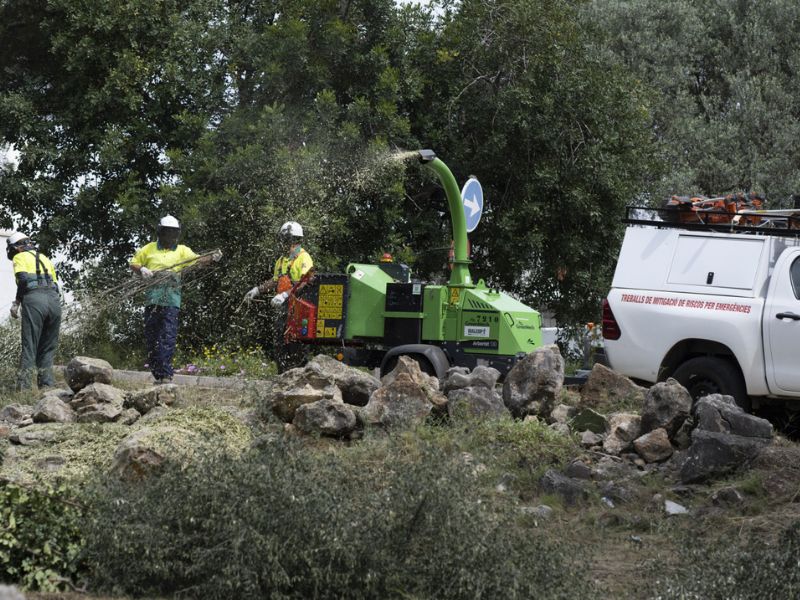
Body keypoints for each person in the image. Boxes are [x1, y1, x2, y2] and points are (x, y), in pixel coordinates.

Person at [130, 215, 222, 383]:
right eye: (167, 233)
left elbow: (198, 260)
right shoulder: (149, 248)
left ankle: (165, 375)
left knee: (167, 336)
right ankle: (157, 374)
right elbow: (133, 263)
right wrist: (142, 269)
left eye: (173, 233)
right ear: (160, 232)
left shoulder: (182, 250)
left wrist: (212, 258)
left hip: (171, 301)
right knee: (152, 338)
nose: (170, 237)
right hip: (152, 300)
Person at [243, 221, 314, 369]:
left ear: (294, 240)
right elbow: (275, 281)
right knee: (280, 344)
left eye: (286, 240)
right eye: (282, 240)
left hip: (299, 308)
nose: (283, 243)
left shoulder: (304, 257)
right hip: (283, 309)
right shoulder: (281, 261)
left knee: (296, 345)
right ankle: (283, 376)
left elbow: (306, 281)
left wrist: (285, 295)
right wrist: (258, 289)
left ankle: (300, 377)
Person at [6, 231, 62, 390]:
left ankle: (23, 389)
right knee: (48, 347)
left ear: (16, 247)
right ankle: (47, 387)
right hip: (54, 301)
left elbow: (23, 279)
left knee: (30, 345)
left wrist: (17, 302)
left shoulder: (19, 257)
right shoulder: (45, 258)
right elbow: (56, 286)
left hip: (34, 299)